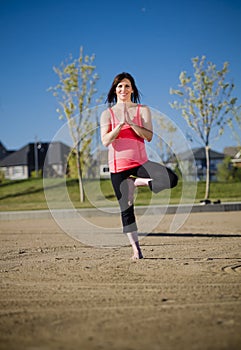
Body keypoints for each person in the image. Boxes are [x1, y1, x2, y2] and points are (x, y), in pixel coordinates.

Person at [100, 72, 178, 259]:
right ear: (115, 90)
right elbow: (105, 141)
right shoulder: (107, 114)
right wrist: (118, 127)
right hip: (118, 167)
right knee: (126, 209)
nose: (123, 89)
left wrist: (131, 124)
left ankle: (137, 182)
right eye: (119, 86)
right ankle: (136, 250)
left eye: (127, 86)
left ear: (132, 89)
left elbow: (149, 136)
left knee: (172, 179)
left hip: (140, 162)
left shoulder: (142, 110)